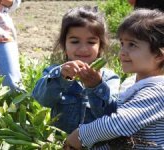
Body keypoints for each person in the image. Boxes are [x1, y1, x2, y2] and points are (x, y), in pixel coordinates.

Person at [65, 8, 164, 149]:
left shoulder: (158, 92)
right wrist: (95, 86)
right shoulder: (131, 83)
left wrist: (80, 135)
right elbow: (114, 120)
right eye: (122, 44)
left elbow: (120, 123)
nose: (122, 52)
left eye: (132, 45)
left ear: (159, 55)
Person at [32, 6, 120, 136]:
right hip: (62, 143)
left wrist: (96, 85)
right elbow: (43, 100)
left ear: (100, 46)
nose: (83, 49)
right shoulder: (55, 72)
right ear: (64, 45)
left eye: (91, 42)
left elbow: (111, 114)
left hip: (97, 144)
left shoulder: (109, 78)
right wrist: (61, 77)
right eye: (75, 41)